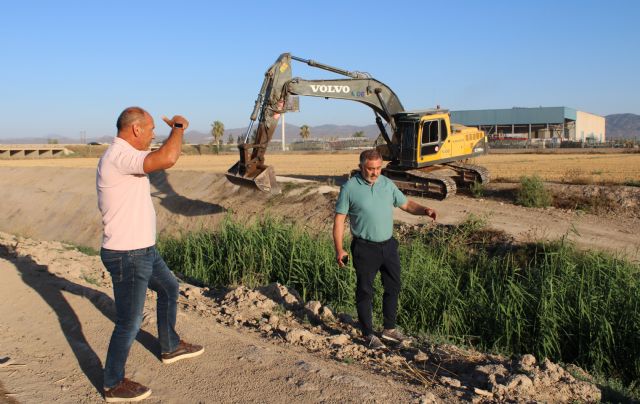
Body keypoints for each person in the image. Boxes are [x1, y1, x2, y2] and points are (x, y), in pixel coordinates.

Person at [97, 107, 204, 402]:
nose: (154, 134)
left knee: (169, 287)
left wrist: (174, 133)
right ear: (135, 130)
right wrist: (179, 128)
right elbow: (167, 157)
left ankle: (170, 346)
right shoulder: (120, 156)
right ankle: (112, 383)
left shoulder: (125, 154)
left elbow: (158, 155)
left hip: (143, 249)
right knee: (129, 321)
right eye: (151, 129)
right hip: (127, 254)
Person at [333, 149, 437, 350]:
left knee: (393, 286)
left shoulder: (387, 184)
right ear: (362, 166)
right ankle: (368, 333)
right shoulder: (349, 187)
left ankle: (389, 329)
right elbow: (339, 221)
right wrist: (340, 249)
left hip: (388, 245)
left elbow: (406, 204)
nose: (375, 172)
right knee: (365, 290)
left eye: (378, 168)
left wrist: (424, 210)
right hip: (364, 247)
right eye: (371, 169)